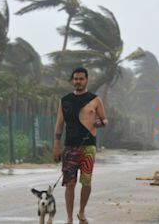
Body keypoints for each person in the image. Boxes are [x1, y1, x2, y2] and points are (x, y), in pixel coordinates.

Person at [53, 67, 108, 224]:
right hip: (70, 146)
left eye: (81, 79)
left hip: (88, 146)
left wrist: (100, 123)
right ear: (72, 80)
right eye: (75, 79)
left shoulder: (95, 100)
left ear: (86, 80)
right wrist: (56, 144)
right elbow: (59, 124)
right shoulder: (65, 100)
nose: (78, 81)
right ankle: (69, 218)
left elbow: (105, 120)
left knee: (86, 181)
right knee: (69, 183)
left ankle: (82, 212)